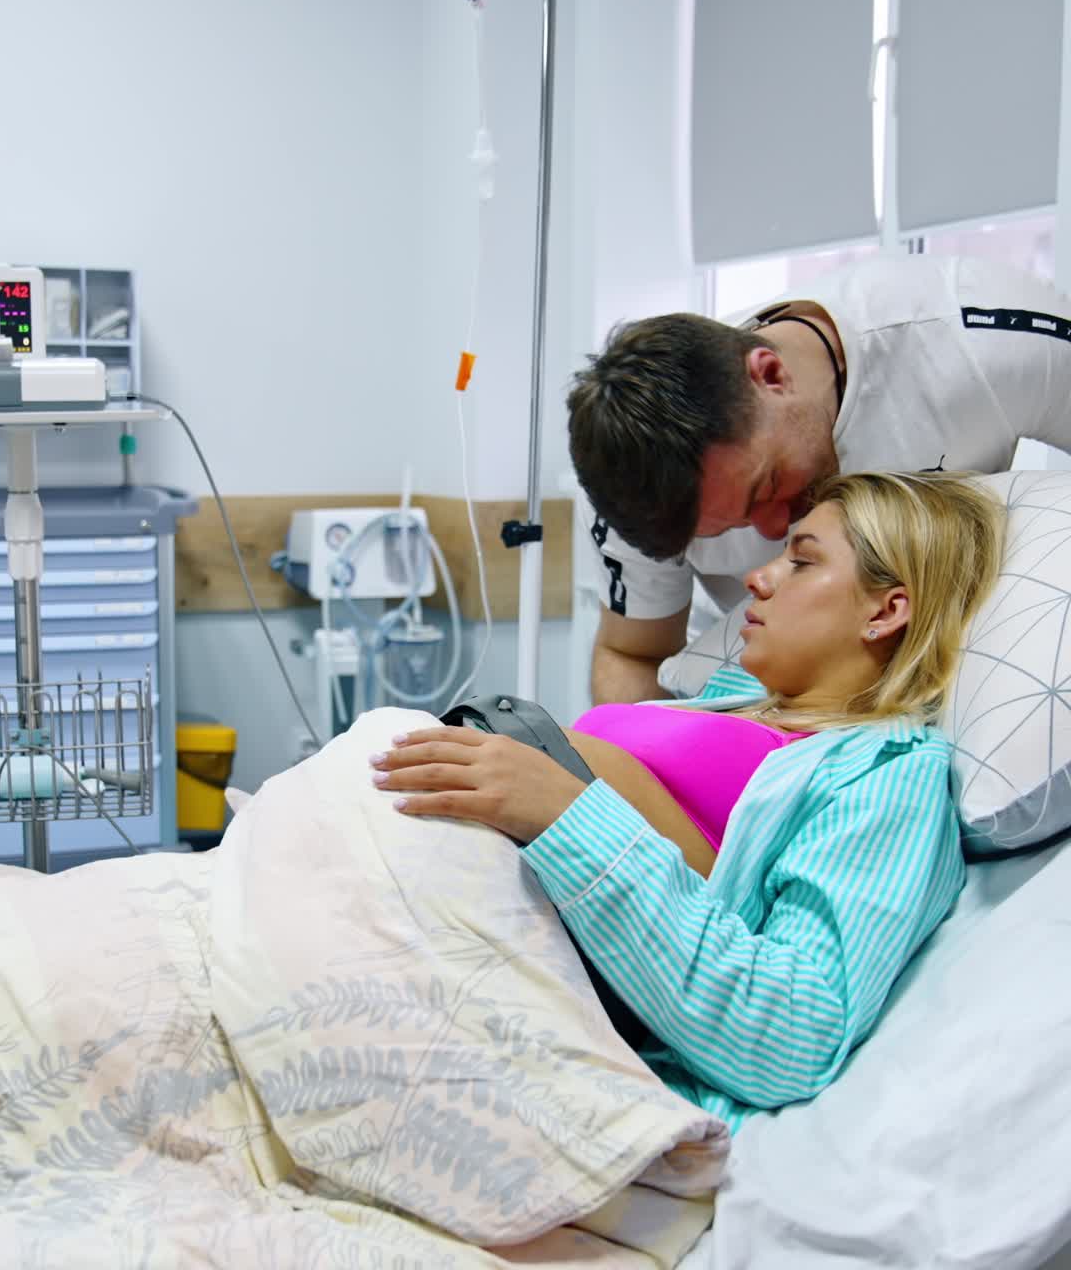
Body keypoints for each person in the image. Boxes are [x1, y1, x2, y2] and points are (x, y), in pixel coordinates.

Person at [368, 471, 1005, 1129]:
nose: (758, 578)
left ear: (885, 611)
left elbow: (794, 1034)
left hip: (525, 977)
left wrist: (567, 813)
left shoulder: (888, 772)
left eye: (803, 561)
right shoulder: (731, 701)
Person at [566, 253, 1071, 703]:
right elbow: (635, 655)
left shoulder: (984, 345)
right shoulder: (633, 492)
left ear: (770, 374)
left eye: (766, 487)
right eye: (726, 529)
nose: (770, 532)